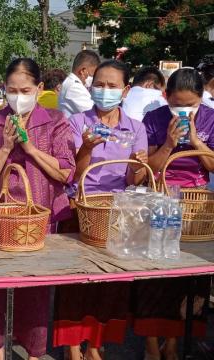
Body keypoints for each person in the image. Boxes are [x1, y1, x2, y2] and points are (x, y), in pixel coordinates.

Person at [0, 58, 76, 360]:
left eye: (26, 89)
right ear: (4, 89)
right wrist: (5, 147)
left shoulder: (55, 120)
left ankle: (33, 352)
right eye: (12, 90)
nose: (19, 96)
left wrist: (30, 148)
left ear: (39, 89)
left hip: (39, 218)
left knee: (35, 290)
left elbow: (65, 172)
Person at [55, 60, 148, 360]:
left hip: (117, 211)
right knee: (75, 282)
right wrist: (86, 149)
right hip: (80, 207)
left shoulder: (135, 128)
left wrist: (138, 165)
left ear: (125, 90)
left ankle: (96, 341)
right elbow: (72, 173)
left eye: (111, 86)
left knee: (111, 283)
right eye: (99, 84)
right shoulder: (78, 123)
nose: (104, 90)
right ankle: (72, 344)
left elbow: (135, 178)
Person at [136, 67, 214, 360]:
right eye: (177, 104)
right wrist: (169, 143)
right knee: (156, 275)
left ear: (201, 100)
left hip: (197, 205)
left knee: (189, 279)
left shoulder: (210, 119)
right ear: (165, 97)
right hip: (161, 197)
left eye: (190, 105)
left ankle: (174, 341)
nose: (184, 110)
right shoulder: (154, 119)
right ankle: (152, 343)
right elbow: (148, 168)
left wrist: (195, 141)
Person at [59, 50, 100, 118]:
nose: (94, 79)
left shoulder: (71, 83)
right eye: (93, 75)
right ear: (83, 71)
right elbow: (95, 114)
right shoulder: (74, 87)